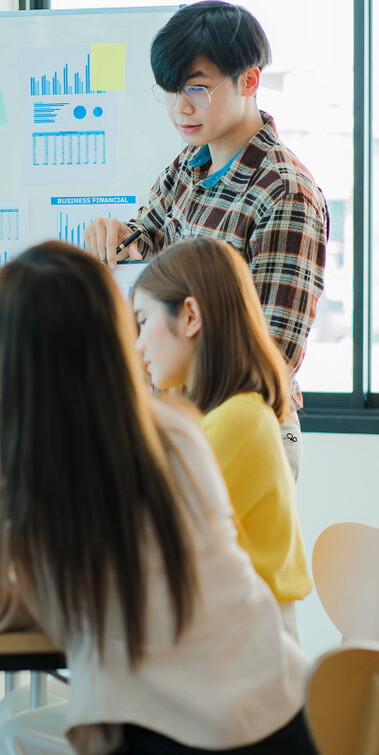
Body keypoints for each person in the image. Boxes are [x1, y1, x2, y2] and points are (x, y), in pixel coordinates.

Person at [0, 241, 314, 755]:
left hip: (178, 734)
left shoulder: (22, 458)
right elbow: (127, 581)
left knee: (15, 733)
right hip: (286, 716)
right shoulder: (181, 433)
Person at [84, 0, 329, 480]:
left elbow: (272, 352)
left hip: (244, 426)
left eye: (197, 88)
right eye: (173, 91)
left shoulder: (285, 191)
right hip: (181, 418)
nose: (182, 108)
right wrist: (122, 237)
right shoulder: (190, 162)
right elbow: (150, 237)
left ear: (249, 81)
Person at [132, 237, 312, 636]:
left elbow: (149, 539)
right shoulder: (218, 416)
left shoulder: (239, 420)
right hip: (228, 640)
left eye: (143, 321)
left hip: (244, 654)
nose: (138, 343)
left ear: (190, 316)